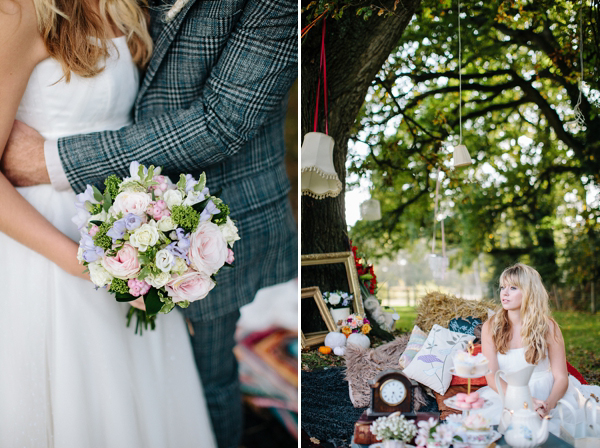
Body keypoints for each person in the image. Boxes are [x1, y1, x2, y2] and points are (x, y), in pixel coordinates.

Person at [2, 0, 298, 447]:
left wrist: (134, 265)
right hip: (50, 252)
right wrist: (87, 265)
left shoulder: (127, 10)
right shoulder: (20, 12)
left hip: (132, 239)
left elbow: (218, 120)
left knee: (154, 406)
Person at [476, 263, 599, 437]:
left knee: (554, 432)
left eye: (513, 288)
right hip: (507, 392)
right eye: (503, 287)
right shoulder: (491, 327)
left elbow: (562, 377)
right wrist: (524, 401)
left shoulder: (548, 327)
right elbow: (491, 376)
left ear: (528, 292)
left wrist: (547, 406)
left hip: (549, 394)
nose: (504, 292)